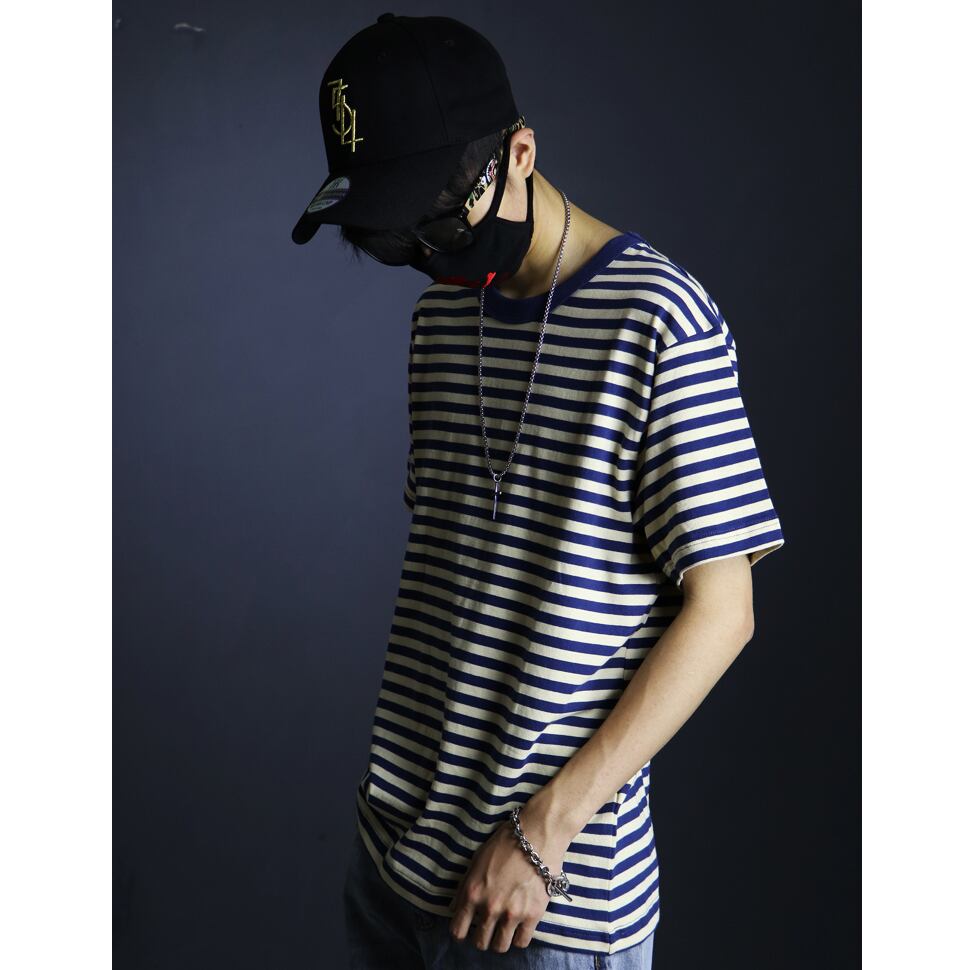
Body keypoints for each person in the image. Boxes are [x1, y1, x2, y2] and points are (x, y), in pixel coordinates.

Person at [291, 14, 785, 970]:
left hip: (538, 906)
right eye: (392, 237)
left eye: (438, 219)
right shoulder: (441, 321)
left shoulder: (658, 321)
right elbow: (464, 591)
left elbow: (725, 612)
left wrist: (540, 835)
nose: (424, 252)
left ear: (519, 154)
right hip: (393, 866)